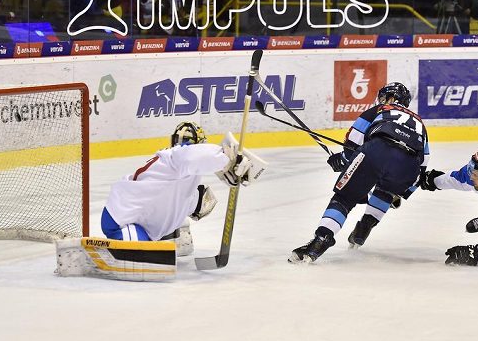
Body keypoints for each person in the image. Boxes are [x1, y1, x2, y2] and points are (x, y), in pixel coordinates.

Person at [289, 82, 430, 263]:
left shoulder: (379, 110)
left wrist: (342, 160)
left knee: (344, 198)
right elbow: (423, 164)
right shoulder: (419, 122)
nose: (380, 100)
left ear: (391, 98)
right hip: (409, 167)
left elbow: (353, 143)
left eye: (383, 97)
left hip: (377, 151)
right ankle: (365, 227)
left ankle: (321, 239)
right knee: (385, 192)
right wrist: (403, 191)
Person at [101, 122, 261, 256]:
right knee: (144, 252)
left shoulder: (178, 167)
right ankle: (124, 243)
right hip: (121, 220)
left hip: (142, 217)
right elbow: (193, 157)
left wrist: (227, 168)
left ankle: (178, 235)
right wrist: (226, 158)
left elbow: (194, 196)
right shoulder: (176, 158)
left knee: (200, 198)